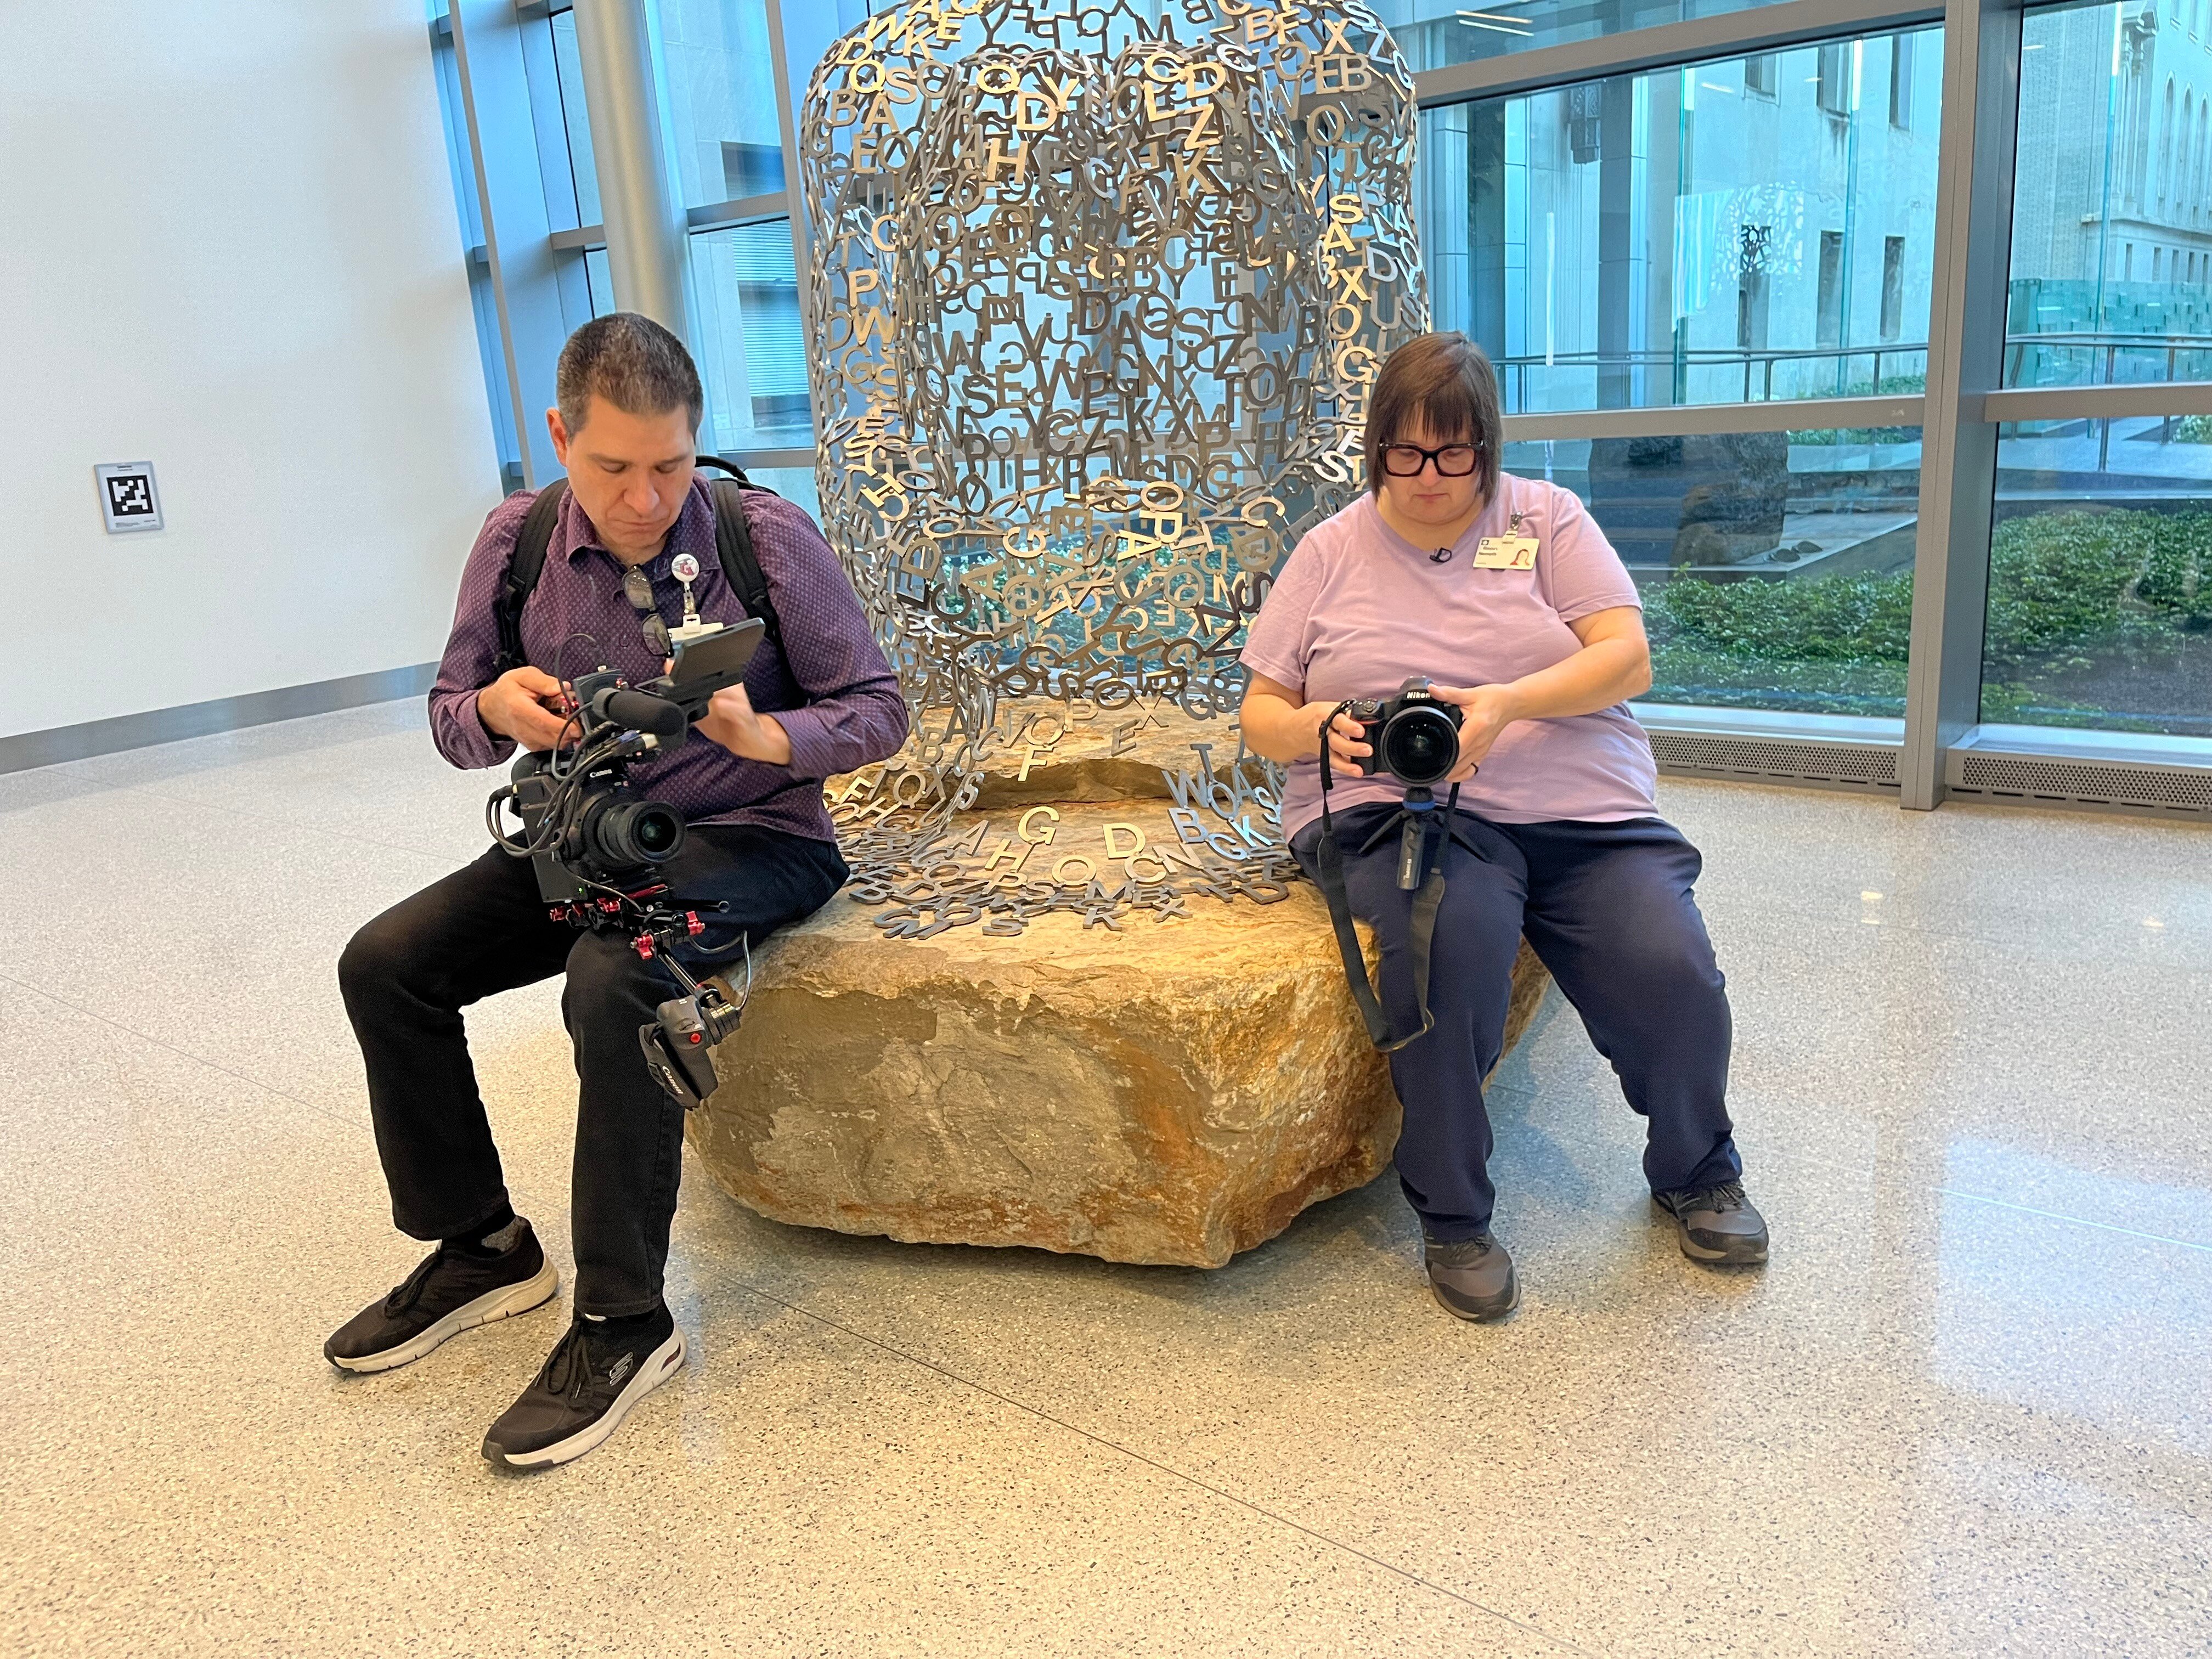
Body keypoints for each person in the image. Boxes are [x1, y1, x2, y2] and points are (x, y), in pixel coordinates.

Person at [328, 314, 908, 1464]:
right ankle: (482, 1248)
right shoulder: (516, 542)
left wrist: (772, 737)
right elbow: (452, 721)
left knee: (615, 977)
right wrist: (493, 708)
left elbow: (880, 710)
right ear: (560, 437)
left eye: (671, 466)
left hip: (756, 836)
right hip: (584, 834)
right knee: (386, 965)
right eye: (613, 469)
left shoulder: (764, 535)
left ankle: (625, 1320)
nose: (646, 499)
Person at [1238, 331, 1766, 1323]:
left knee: (1671, 966)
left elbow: (1628, 659)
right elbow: (1262, 714)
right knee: (1446, 951)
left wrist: (1506, 705)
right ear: (1375, 447)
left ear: (1487, 444)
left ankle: (1699, 1171)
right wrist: (1326, 727)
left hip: (1582, 808)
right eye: (1404, 453)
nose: (1429, 478)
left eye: (1454, 453)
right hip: (1405, 813)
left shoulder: (1548, 518)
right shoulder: (1330, 549)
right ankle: (1454, 1217)